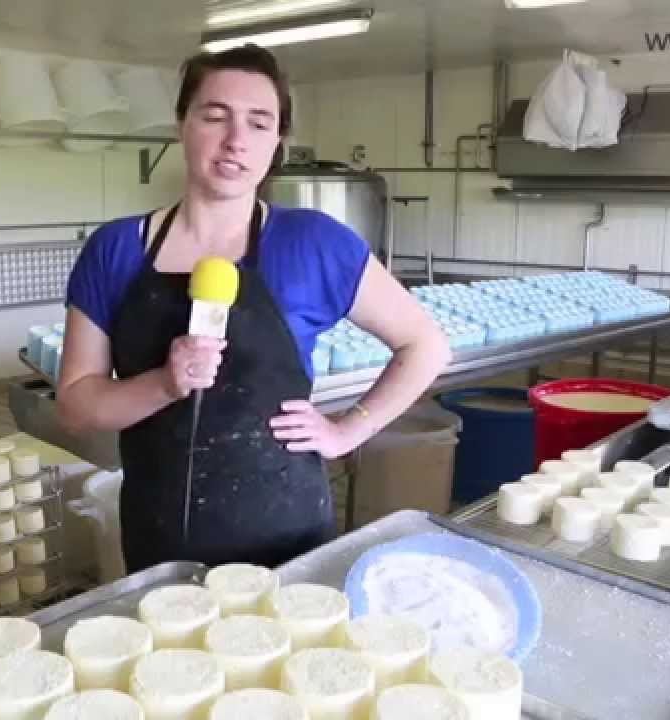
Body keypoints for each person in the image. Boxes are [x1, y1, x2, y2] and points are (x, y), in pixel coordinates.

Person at [56, 44, 451, 574]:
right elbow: (77, 407)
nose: (235, 140)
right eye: (214, 116)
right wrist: (163, 384)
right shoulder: (116, 249)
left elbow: (426, 345)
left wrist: (347, 430)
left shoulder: (313, 243)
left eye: (259, 123)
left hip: (285, 531)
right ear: (182, 124)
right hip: (160, 532)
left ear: (278, 141)